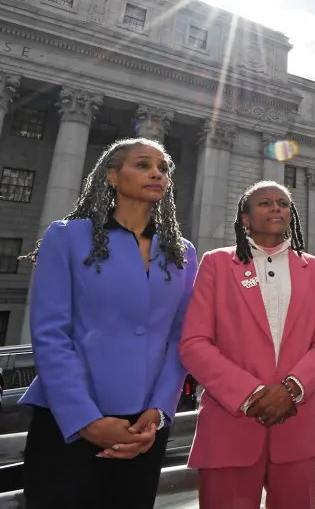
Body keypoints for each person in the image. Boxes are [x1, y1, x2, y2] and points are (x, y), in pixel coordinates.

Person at [19, 138, 198, 508]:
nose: (156, 173)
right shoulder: (65, 237)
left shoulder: (183, 252)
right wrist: (86, 421)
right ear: (112, 177)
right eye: (143, 164)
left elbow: (181, 336)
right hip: (68, 422)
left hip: (144, 428)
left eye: (163, 168)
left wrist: (159, 411)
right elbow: (50, 335)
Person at [179, 182, 315, 508]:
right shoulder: (215, 264)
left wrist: (292, 389)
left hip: (299, 426)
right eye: (265, 203)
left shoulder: (314, 269)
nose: (276, 207)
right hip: (229, 428)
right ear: (245, 219)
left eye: (282, 203)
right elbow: (194, 343)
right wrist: (250, 395)